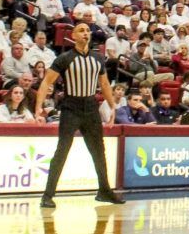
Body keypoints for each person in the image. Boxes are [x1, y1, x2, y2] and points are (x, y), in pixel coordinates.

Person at [35, 22, 124, 207]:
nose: (85, 33)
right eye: (81, 30)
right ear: (73, 36)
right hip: (71, 107)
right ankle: (48, 195)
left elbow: (105, 85)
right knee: (62, 150)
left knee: (99, 151)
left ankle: (104, 191)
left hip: (91, 107)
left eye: (87, 31)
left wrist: (112, 107)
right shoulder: (64, 58)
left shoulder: (98, 58)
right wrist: (38, 107)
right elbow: (46, 83)